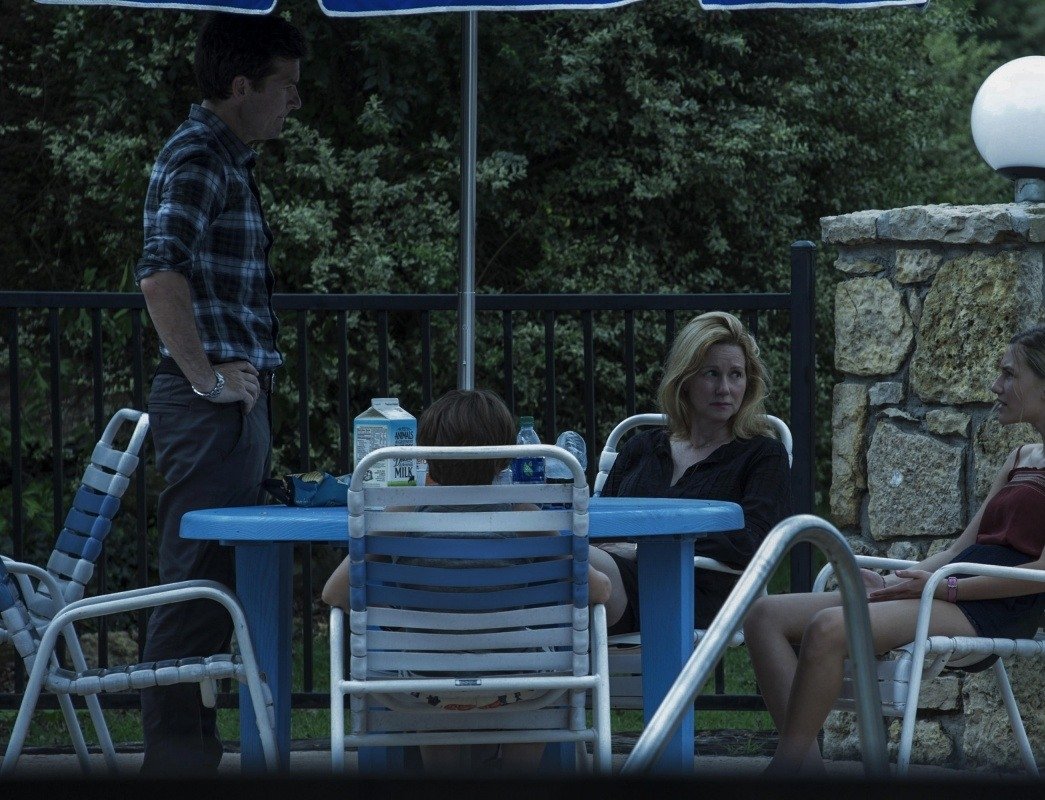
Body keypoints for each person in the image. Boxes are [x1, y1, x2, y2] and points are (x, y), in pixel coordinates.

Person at [744, 326, 1045, 776]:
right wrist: (894, 582)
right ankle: (803, 770)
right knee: (763, 616)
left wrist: (946, 589)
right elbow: (963, 546)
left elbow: (1042, 570)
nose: (995, 386)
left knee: (828, 629)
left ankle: (784, 771)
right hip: (947, 587)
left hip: (994, 606)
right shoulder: (1021, 456)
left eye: (1009, 374)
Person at [133, 12, 306, 775]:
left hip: (228, 408)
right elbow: (158, 273)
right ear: (242, 86)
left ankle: (192, 757)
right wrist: (206, 379)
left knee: (215, 590)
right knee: (196, 589)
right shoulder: (199, 156)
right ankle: (175, 766)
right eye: (285, 85)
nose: (294, 101)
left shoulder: (225, 158)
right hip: (209, 410)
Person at [322, 388, 612, 775]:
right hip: (520, 683)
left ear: (427, 455)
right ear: (504, 457)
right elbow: (599, 590)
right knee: (547, 669)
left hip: (423, 687)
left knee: (432, 667)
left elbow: (332, 593)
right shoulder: (526, 515)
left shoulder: (400, 516)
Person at [595, 311, 792, 635]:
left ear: (748, 383)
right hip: (615, 579)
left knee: (570, 563)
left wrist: (643, 550)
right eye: (711, 374)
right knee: (567, 562)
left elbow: (754, 543)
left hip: (698, 590)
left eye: (736, 375)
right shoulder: (642, 447)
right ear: (685, 380)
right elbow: (599, 523)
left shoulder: (762, 455)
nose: (725, 388)